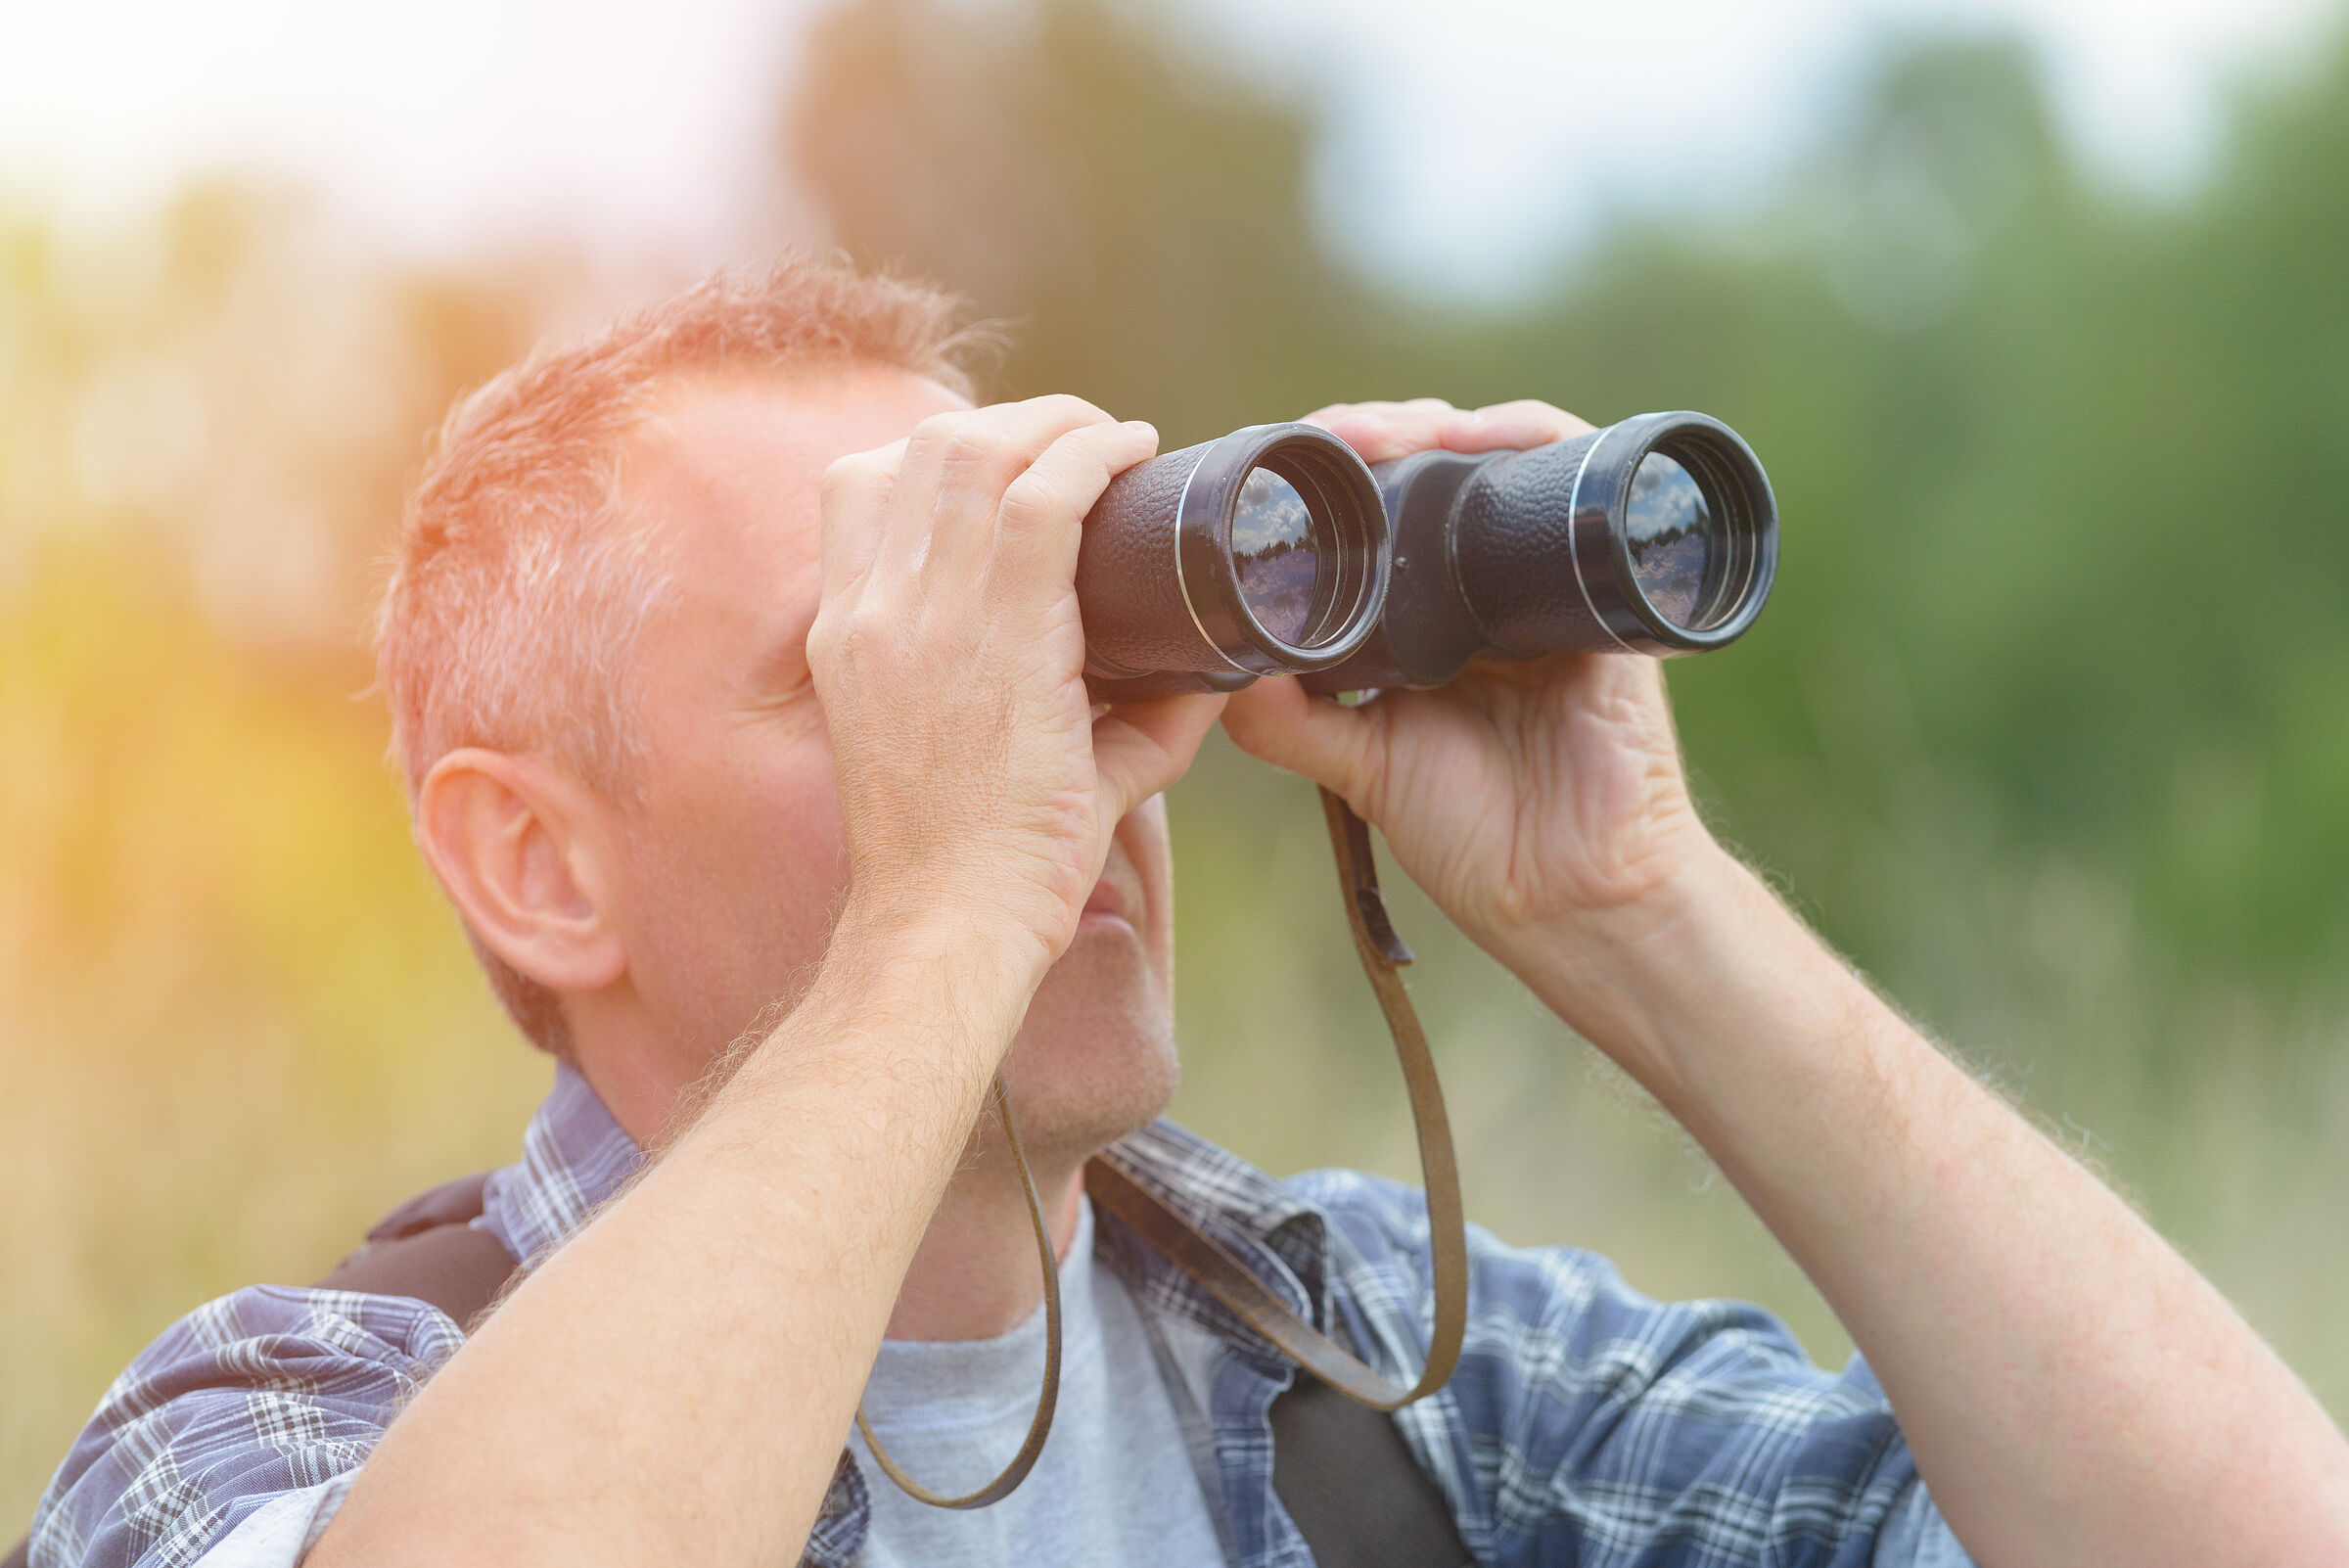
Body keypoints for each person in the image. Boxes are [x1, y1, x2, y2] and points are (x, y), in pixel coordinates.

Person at [26, 256, 2349, 1568]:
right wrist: (950, 912)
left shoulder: (1386, 1387)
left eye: (1071, 638)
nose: (1056, 755)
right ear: (535, 857)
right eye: (900, 668)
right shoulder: (290, 1423)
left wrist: (1642, 903)